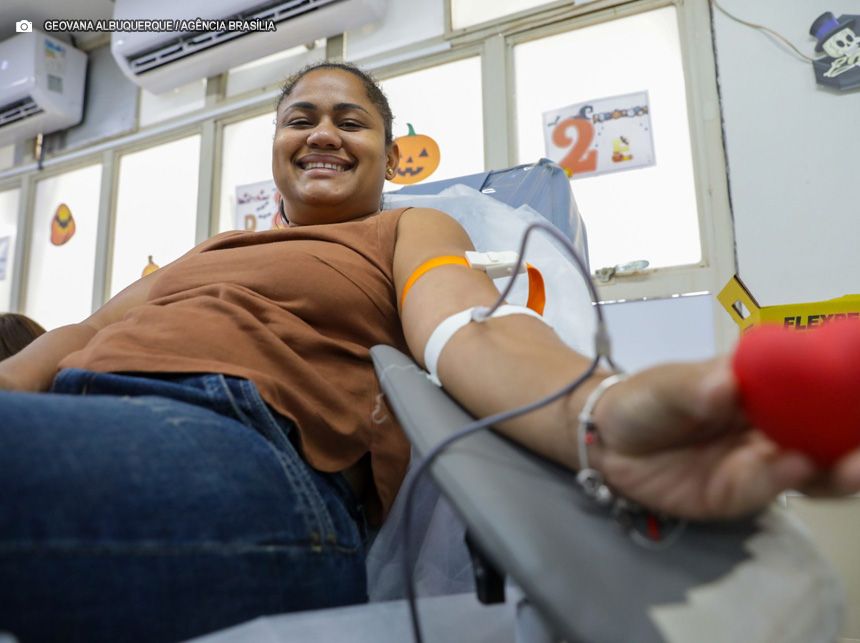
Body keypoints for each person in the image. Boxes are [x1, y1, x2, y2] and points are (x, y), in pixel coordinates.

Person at [0, 61, 858, 643]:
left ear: (386, 149)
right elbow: (74, 337)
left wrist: (599, 414)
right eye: (301, 118)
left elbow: (467, 330)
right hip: (84, 408)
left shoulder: (409, 227)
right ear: (275, 146)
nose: (323, 134)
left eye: (351, 120)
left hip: (245, 453)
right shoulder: (209, 250)